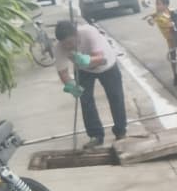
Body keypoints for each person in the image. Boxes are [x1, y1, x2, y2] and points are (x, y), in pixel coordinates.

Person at [54, 19, 127, 148]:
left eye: (70, 42)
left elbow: (101, 59)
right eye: (64, 44)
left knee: (116, 97)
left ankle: (120, 131)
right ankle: (96, 135)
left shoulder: (89, 32)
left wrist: (86, 60)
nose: (68, 47)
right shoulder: (59, 48)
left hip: (107, 65)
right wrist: (71, 86)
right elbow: (63, 72)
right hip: (83, 70)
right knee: (85, 100)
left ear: (76, 34)